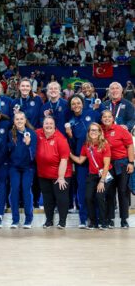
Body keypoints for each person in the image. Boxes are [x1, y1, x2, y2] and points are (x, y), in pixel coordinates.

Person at [66, 94, 101, 228]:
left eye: (78, 103)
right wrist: (70, 136)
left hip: (97, 159)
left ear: (82, 103)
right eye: (73, 104)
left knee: (97, 190)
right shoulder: (71, 121)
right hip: (81, 161)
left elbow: (102, 128)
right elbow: (74, 143)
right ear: (70, 106)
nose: (76, 105)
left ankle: (96, 218)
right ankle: (83, 218)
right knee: (82, 190)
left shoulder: (92, 114)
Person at [70, 122, 113, 230]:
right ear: (88, 133)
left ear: (99, 132)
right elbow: (80, 160)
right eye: (91, 130)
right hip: (92, 175)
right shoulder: (86, 145)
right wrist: (69, 154)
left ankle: (103, 222)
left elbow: (107, 164)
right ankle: (93, 222)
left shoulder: (105, 144)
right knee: (88, 197)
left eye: (95, 130)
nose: (93, 132)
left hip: (105, 174)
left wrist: (102, 181)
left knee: (99, 196)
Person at [36, 116, 72, 229]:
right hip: (43, 174)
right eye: (46, 123)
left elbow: (64, 159)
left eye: (51, 123)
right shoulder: (38, 133)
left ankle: (62, 221)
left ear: (55, 125)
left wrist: (61, 177)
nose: (48, 126)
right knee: (47, 198)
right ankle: (49, 221)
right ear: (42, 125)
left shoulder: (61, 139)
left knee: (61, 198)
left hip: (61, 174)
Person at [101, 110, 134, 228]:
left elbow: (130, 145)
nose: (107, 119)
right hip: (107, 166)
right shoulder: (99, 131)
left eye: (109, 117)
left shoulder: (121, 130)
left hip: (122, 164)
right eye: (104, 117)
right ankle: (110, 218)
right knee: (109, 192)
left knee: (123, 192)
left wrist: (131, 162)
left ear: (113, 118)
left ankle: (124, 219)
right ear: (101, 119)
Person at [8, 111, 36, 229]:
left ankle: (28, 219)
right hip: (14, 167)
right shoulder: (11, 134)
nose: (19, 121)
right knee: (14, 190)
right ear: (14, 121)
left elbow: (33, 155)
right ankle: (15, 220)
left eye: (21, 119)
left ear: (25, 120)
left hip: (27, 168)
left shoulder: (32, 134)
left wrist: (28, 144)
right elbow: (8, 150)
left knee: (26, 190)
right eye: (17, 119)